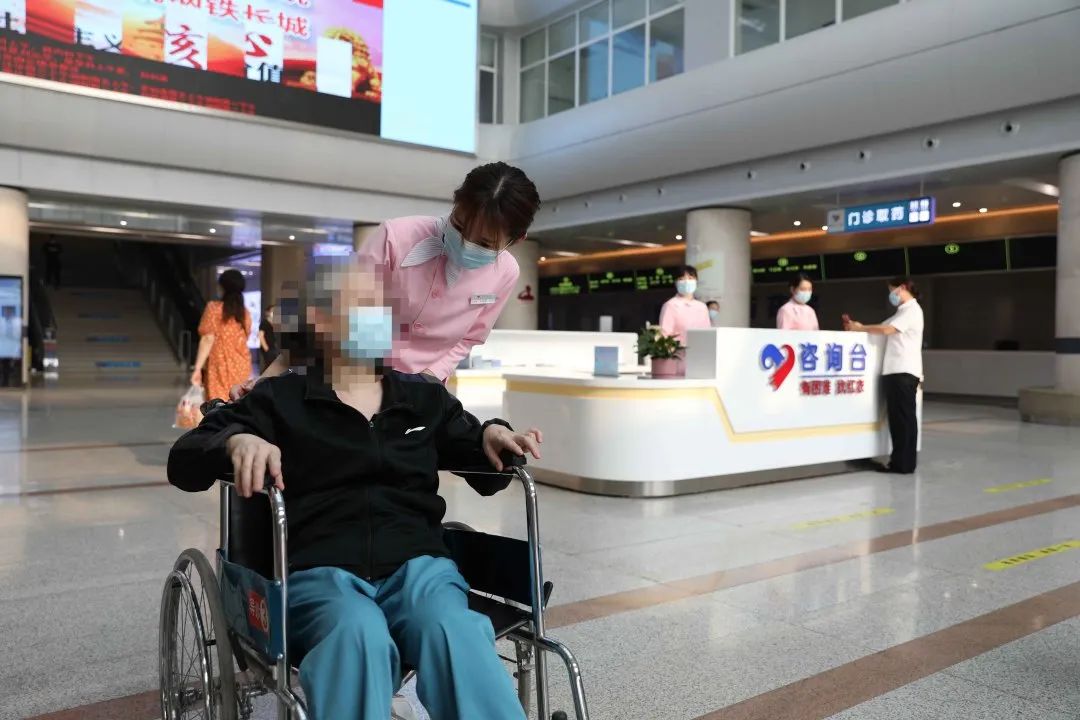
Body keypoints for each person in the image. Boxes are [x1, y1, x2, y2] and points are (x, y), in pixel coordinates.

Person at [167, 256, 541, 720]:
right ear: (320, 320)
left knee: (454, 630)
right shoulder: (281, 400)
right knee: (357, 636)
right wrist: (236, 440)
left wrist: (494, 434)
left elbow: (481, 455)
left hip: (420, 568)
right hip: (323, 571)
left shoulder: (422, 398)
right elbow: (185, 459)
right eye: (366, 304)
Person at [236, 162, 540, 398]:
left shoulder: (506, 273)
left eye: (484, 243)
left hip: (421, 392)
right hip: (349, 380)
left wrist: (430, 377)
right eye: (459, 226)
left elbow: (469, 338)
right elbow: (334, 310)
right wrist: (267, 380)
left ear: (516, 240)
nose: (464, 244)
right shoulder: (397, 237)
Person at [844, 277, 924, 475]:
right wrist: (857, 327)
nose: (891, 295)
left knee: (902, 420)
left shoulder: (912, 310)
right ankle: (903, 462)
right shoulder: (902, 312)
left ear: (902, 288)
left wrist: (860, 328)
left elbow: (887, 330)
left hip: (902, 371)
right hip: (898, 372)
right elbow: (880, 328)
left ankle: (902, 464)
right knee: (902, 419)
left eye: (892, 290)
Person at [192, 270, 253, 402]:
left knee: (218, 403)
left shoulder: (214, 309)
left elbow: (207, 339)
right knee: (237, 402)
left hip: (219, 366)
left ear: (223, 287)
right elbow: (246, 337)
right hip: (242, 365)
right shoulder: (245, 313)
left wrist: (197, 368)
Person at [659, 265, 711, 344]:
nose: (686, 282)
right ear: (676, 283)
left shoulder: (702, 307)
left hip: (701, 350)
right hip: (679, 351)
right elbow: (664, 335)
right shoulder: (670, 305)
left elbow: (708, 333)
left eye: (690, 278)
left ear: (696, 281)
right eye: (681, 279)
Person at [258, 304, 278, 372]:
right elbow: (261, 336)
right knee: (269, 366)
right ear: (268, 312)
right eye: (272, 311)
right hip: (268, 349)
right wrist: (266, 349)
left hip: (274, 348)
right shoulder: (264, 323)